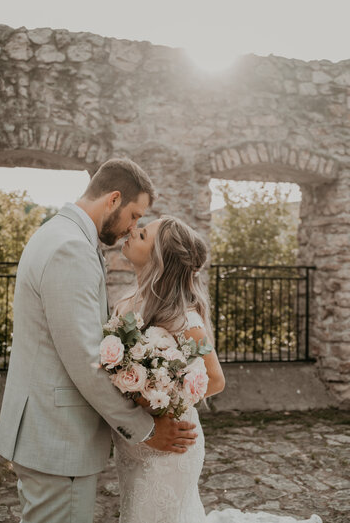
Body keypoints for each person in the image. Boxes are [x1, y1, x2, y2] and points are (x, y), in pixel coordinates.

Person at [0, 159, 198, 523]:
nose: (133, 227)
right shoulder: (70, 248)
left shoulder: (59, 235)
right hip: (58, 438)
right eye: (134, 215)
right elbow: (87, 362)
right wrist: (147, 430)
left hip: (47, 432)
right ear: (114, 199)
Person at [112, 215, 323, 523]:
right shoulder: (126, 305)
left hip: (172, 440)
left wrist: (163, 403)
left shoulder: (182, 319)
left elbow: (215, 379)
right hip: (135, 444)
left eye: (142, 235)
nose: (132, 231)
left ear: (160, 260)